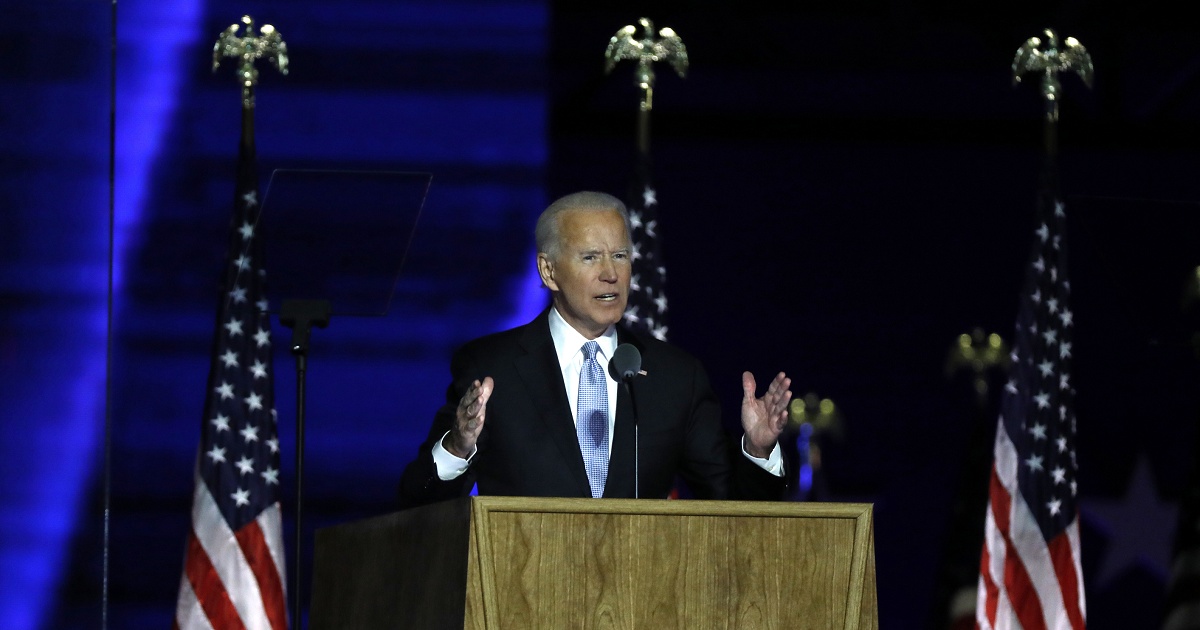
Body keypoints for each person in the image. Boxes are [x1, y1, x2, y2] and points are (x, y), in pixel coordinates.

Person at [398, 191, 793, 506]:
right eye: (591, 257)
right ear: (548, 271)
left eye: (620, 256)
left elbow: (735, 508)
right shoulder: (491, 368)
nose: (610, 273)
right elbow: (418, 502)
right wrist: (459, 445)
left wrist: (758, 450)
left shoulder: (675, 377)